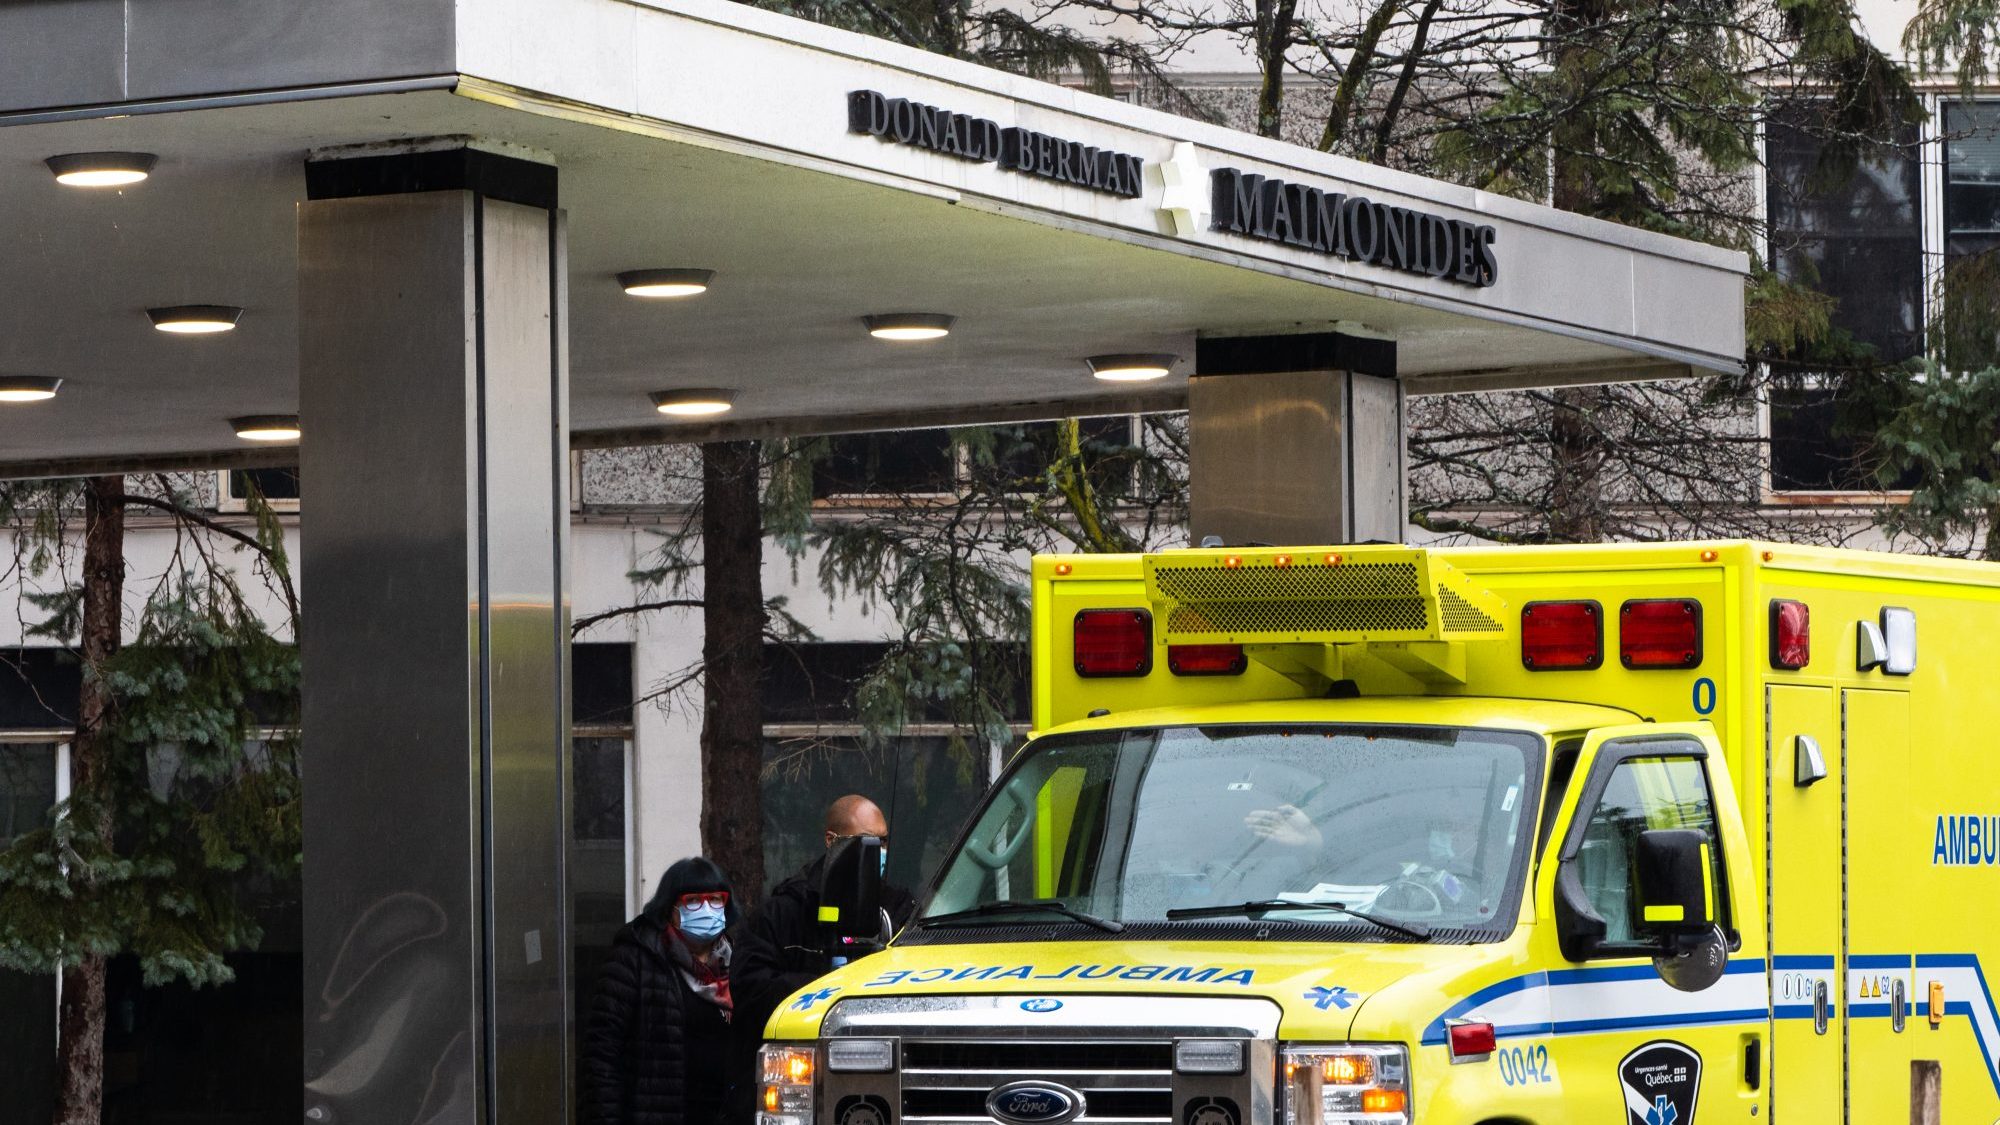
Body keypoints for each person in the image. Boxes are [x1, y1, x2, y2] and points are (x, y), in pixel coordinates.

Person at [728, 796, 917, 1117]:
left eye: (883, 841)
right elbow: (750, 989)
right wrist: (826, 991)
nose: (879, 851)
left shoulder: (898, 911)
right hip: (800, 1088)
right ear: (832, 841)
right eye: (867, 842)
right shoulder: (785, 911)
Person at [583, 856, 741, 1125]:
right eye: (693, 900)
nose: (706, 908)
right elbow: (601, 1058)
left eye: (716, 899)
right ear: (670, 908)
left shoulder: (736, 963)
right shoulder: (635, 959)